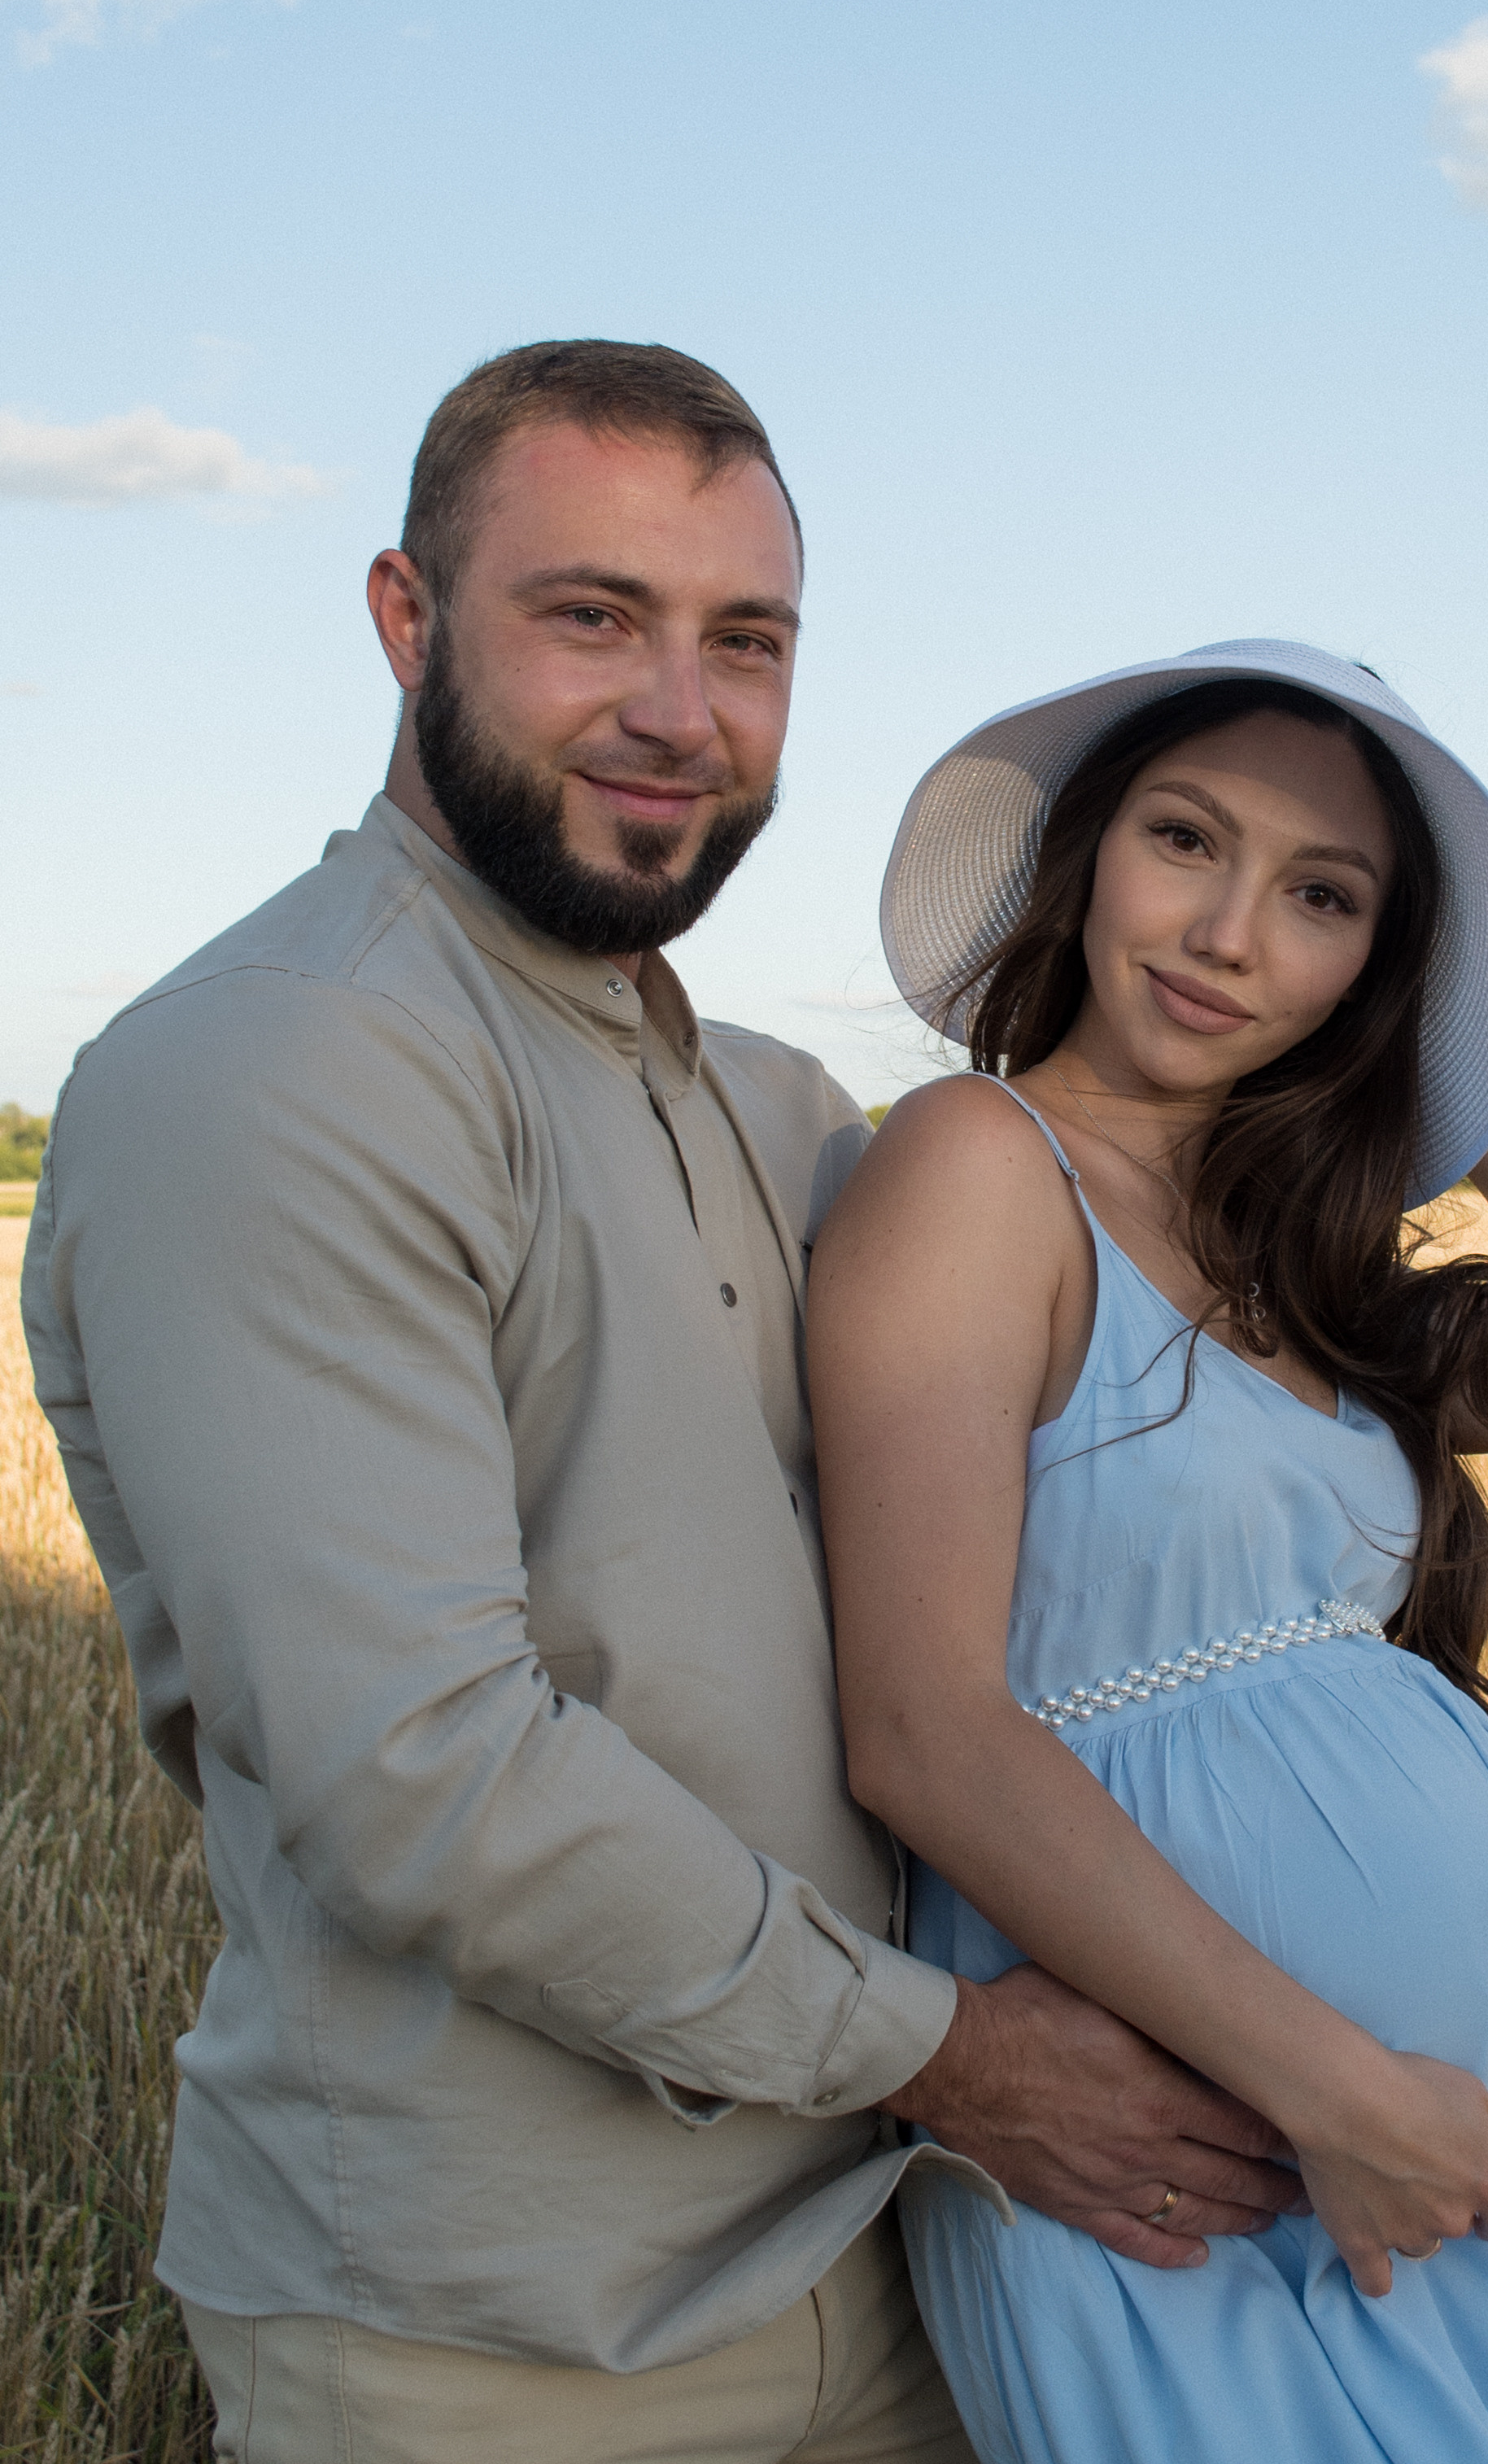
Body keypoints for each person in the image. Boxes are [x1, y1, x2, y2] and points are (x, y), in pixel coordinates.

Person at [20, 352, 1311, 2464]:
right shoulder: (284, 1068)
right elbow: (426, 1773)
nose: (680, 710)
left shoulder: (779, 1112)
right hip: (493, 2346)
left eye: (749, 641)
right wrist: (949, 2056)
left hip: (892, 2270)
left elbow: (1155, 1493)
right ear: (407, 623)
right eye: (592, 615)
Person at [807, 641, 1488, 2464]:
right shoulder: (981, 1164)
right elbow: (926, 1729)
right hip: (1216, 2178)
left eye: (1323, 899)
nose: (1225, 935)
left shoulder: (1294, 1257)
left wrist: (1459, 1055)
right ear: (1084, 853)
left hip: (1480, 2152)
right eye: (1184, 841)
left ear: (1384, 962)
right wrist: (1335, 2084)